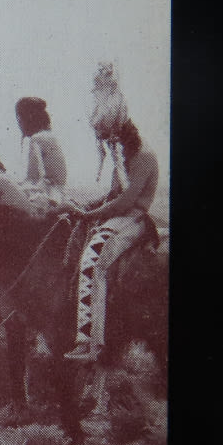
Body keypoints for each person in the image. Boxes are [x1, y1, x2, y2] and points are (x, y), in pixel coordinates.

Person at [63, 118, 159, 362]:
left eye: (108, 139)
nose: (106, 144)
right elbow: (113, 194)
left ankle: (90, 342)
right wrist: (86, 206)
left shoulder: (143, 156)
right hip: (118, 217)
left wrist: (91, 214)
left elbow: (126, 201)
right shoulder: (125, 156)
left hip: (133, 219)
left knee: (93, 261)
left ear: (118, 135)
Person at [15, 96, 67, 207]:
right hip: (59, 194)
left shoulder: (36, 139)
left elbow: (33, 177)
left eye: (19, 118)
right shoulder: (50, 136)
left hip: (48, 198)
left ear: (28, 118)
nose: (19, 123)